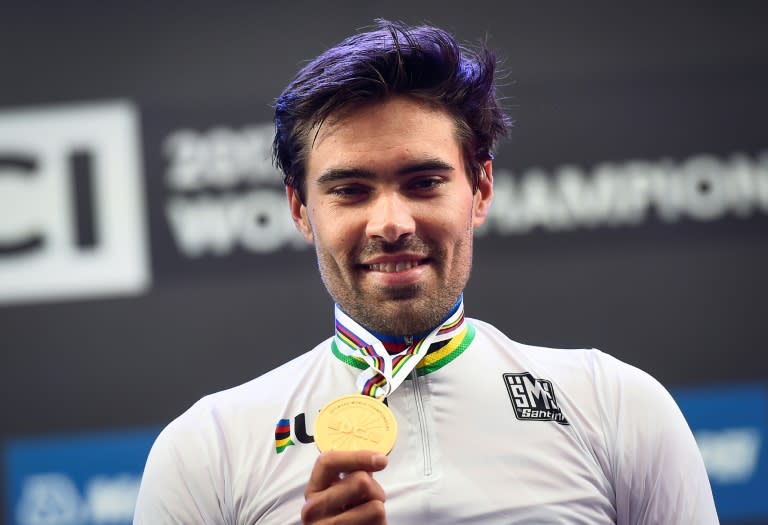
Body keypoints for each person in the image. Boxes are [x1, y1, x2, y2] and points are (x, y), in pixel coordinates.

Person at [134, 20, 719, 524]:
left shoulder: (618, 408)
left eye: (424, 183)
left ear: (481, 188)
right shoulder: (206, 450)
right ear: (299, 209)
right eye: (351, 190)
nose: (391, 223)